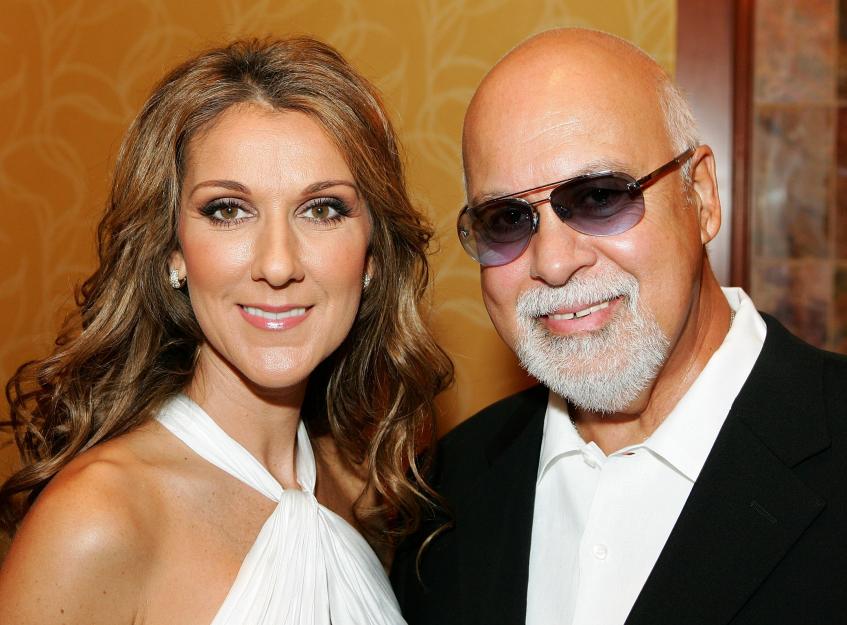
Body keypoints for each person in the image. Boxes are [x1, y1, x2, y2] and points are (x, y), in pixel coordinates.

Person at [390, 28, 847, 625]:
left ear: (702, 197)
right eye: (507, 219)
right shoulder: (438, 497)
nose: (554, 263)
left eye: (600, 197)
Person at [0, 37, 452, 625]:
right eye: (228, 210)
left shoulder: (360, 488)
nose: (278, 264)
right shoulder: (99, 518)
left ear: (370, 257)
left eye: (322, 209)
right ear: (173, 250)